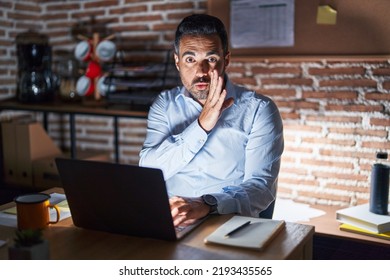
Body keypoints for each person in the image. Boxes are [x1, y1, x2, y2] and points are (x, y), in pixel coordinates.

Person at [139, 14, 284, 227]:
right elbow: (149, 167)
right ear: (177, 61)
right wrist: (201, 125)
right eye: (190, 59)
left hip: (227, 221)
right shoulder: (165, 104)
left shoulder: (260, 110)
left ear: (226, 59)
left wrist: (206, 204)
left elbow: (260, 187)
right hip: (171, 219)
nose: (201, 72)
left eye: (211, 59)